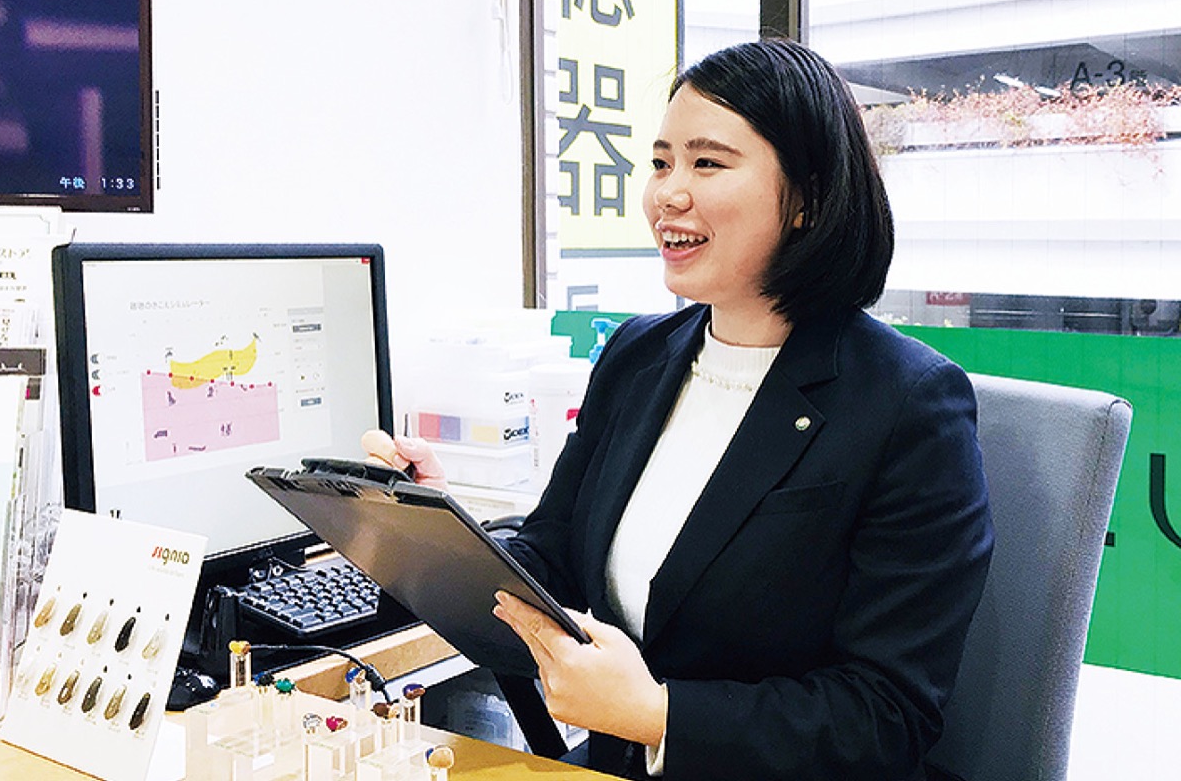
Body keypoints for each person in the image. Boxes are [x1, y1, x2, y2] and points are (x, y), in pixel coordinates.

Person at [363, 38, 993, 781]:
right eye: (661, 163)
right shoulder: (638, 355)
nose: (668, 193)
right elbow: (553, 560)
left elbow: (886, 717)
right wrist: (433, 528)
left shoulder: (909, 404)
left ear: (809, 199)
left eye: (708, 163)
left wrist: (659, 716)